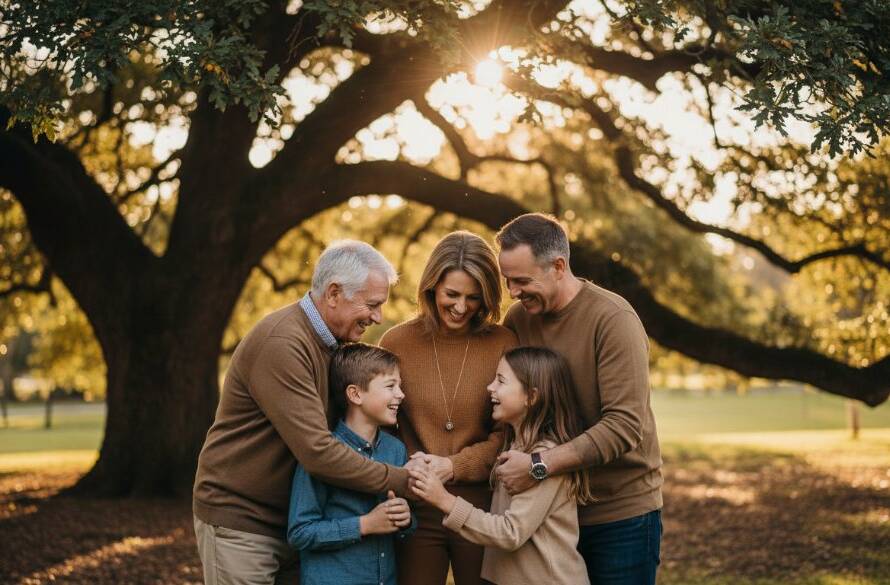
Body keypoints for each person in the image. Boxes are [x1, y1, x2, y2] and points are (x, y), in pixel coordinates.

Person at [193, 240, 411, 585]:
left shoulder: (332, 346)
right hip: (243, 522)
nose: (378, 317)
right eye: (372, 305)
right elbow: (317, 452)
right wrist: (403, 478)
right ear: (335, 293)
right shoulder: (284, 343)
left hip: (297, 523)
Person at [494, 213, 663, 585]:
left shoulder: (613, 319)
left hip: (618, 515)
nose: (513, 292)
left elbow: (623, 427)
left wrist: (539, 465)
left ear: (558, 266)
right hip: (546, 514)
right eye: (508, 281)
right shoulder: (518, 320)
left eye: (522, 280)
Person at [379, 231, 517, 585]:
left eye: (474, 297)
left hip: (482, 509)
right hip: (415, 507)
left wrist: (454, 466)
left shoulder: (503, 342)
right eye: (451, 294)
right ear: (431, 287)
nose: (461, 307)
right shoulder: (397, 342)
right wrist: (416, 466)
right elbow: (382, 425)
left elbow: (510, 434)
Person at [409, 346, 592, 585]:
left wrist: (443, 499)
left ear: (531, 397)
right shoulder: (514, 445)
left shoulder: (543, 456)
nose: (490, 387)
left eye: (501, 381)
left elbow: (510, 532)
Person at [287, 343, 416, 585]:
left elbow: (404, 525)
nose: (401, 394)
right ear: (355, 394)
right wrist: (364, 525)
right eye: (391, 386)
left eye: (400, 385)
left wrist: (406, 519)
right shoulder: (323, 454)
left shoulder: (395, 449)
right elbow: (300, 533)